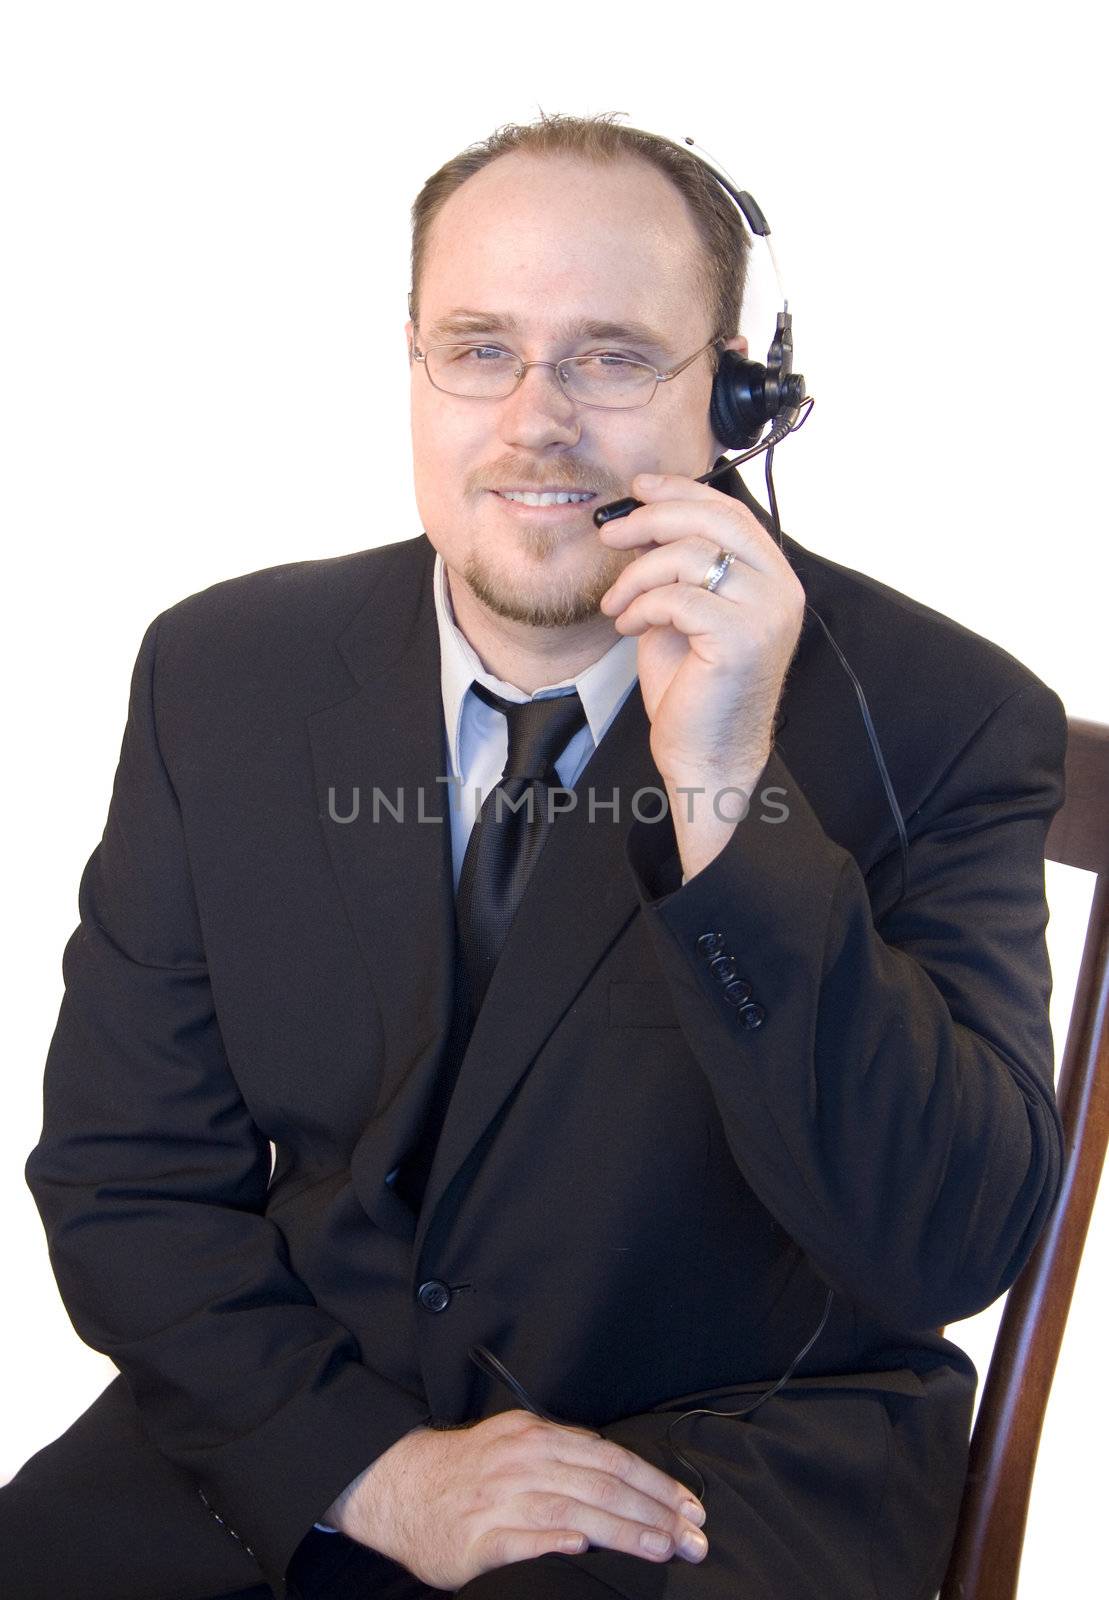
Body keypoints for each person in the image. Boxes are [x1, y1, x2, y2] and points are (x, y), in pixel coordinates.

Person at [2, 112, 1067, 1600]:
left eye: (616, 355)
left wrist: (722, 784)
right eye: (481, 347)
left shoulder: (950, 718)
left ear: (740, 402)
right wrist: (372, 1468)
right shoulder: (222, 671)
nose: (536, 420)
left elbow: (944, 1245)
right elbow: (124, 1179)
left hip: (713, 1467)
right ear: (417, 365)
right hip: (308, 1408)